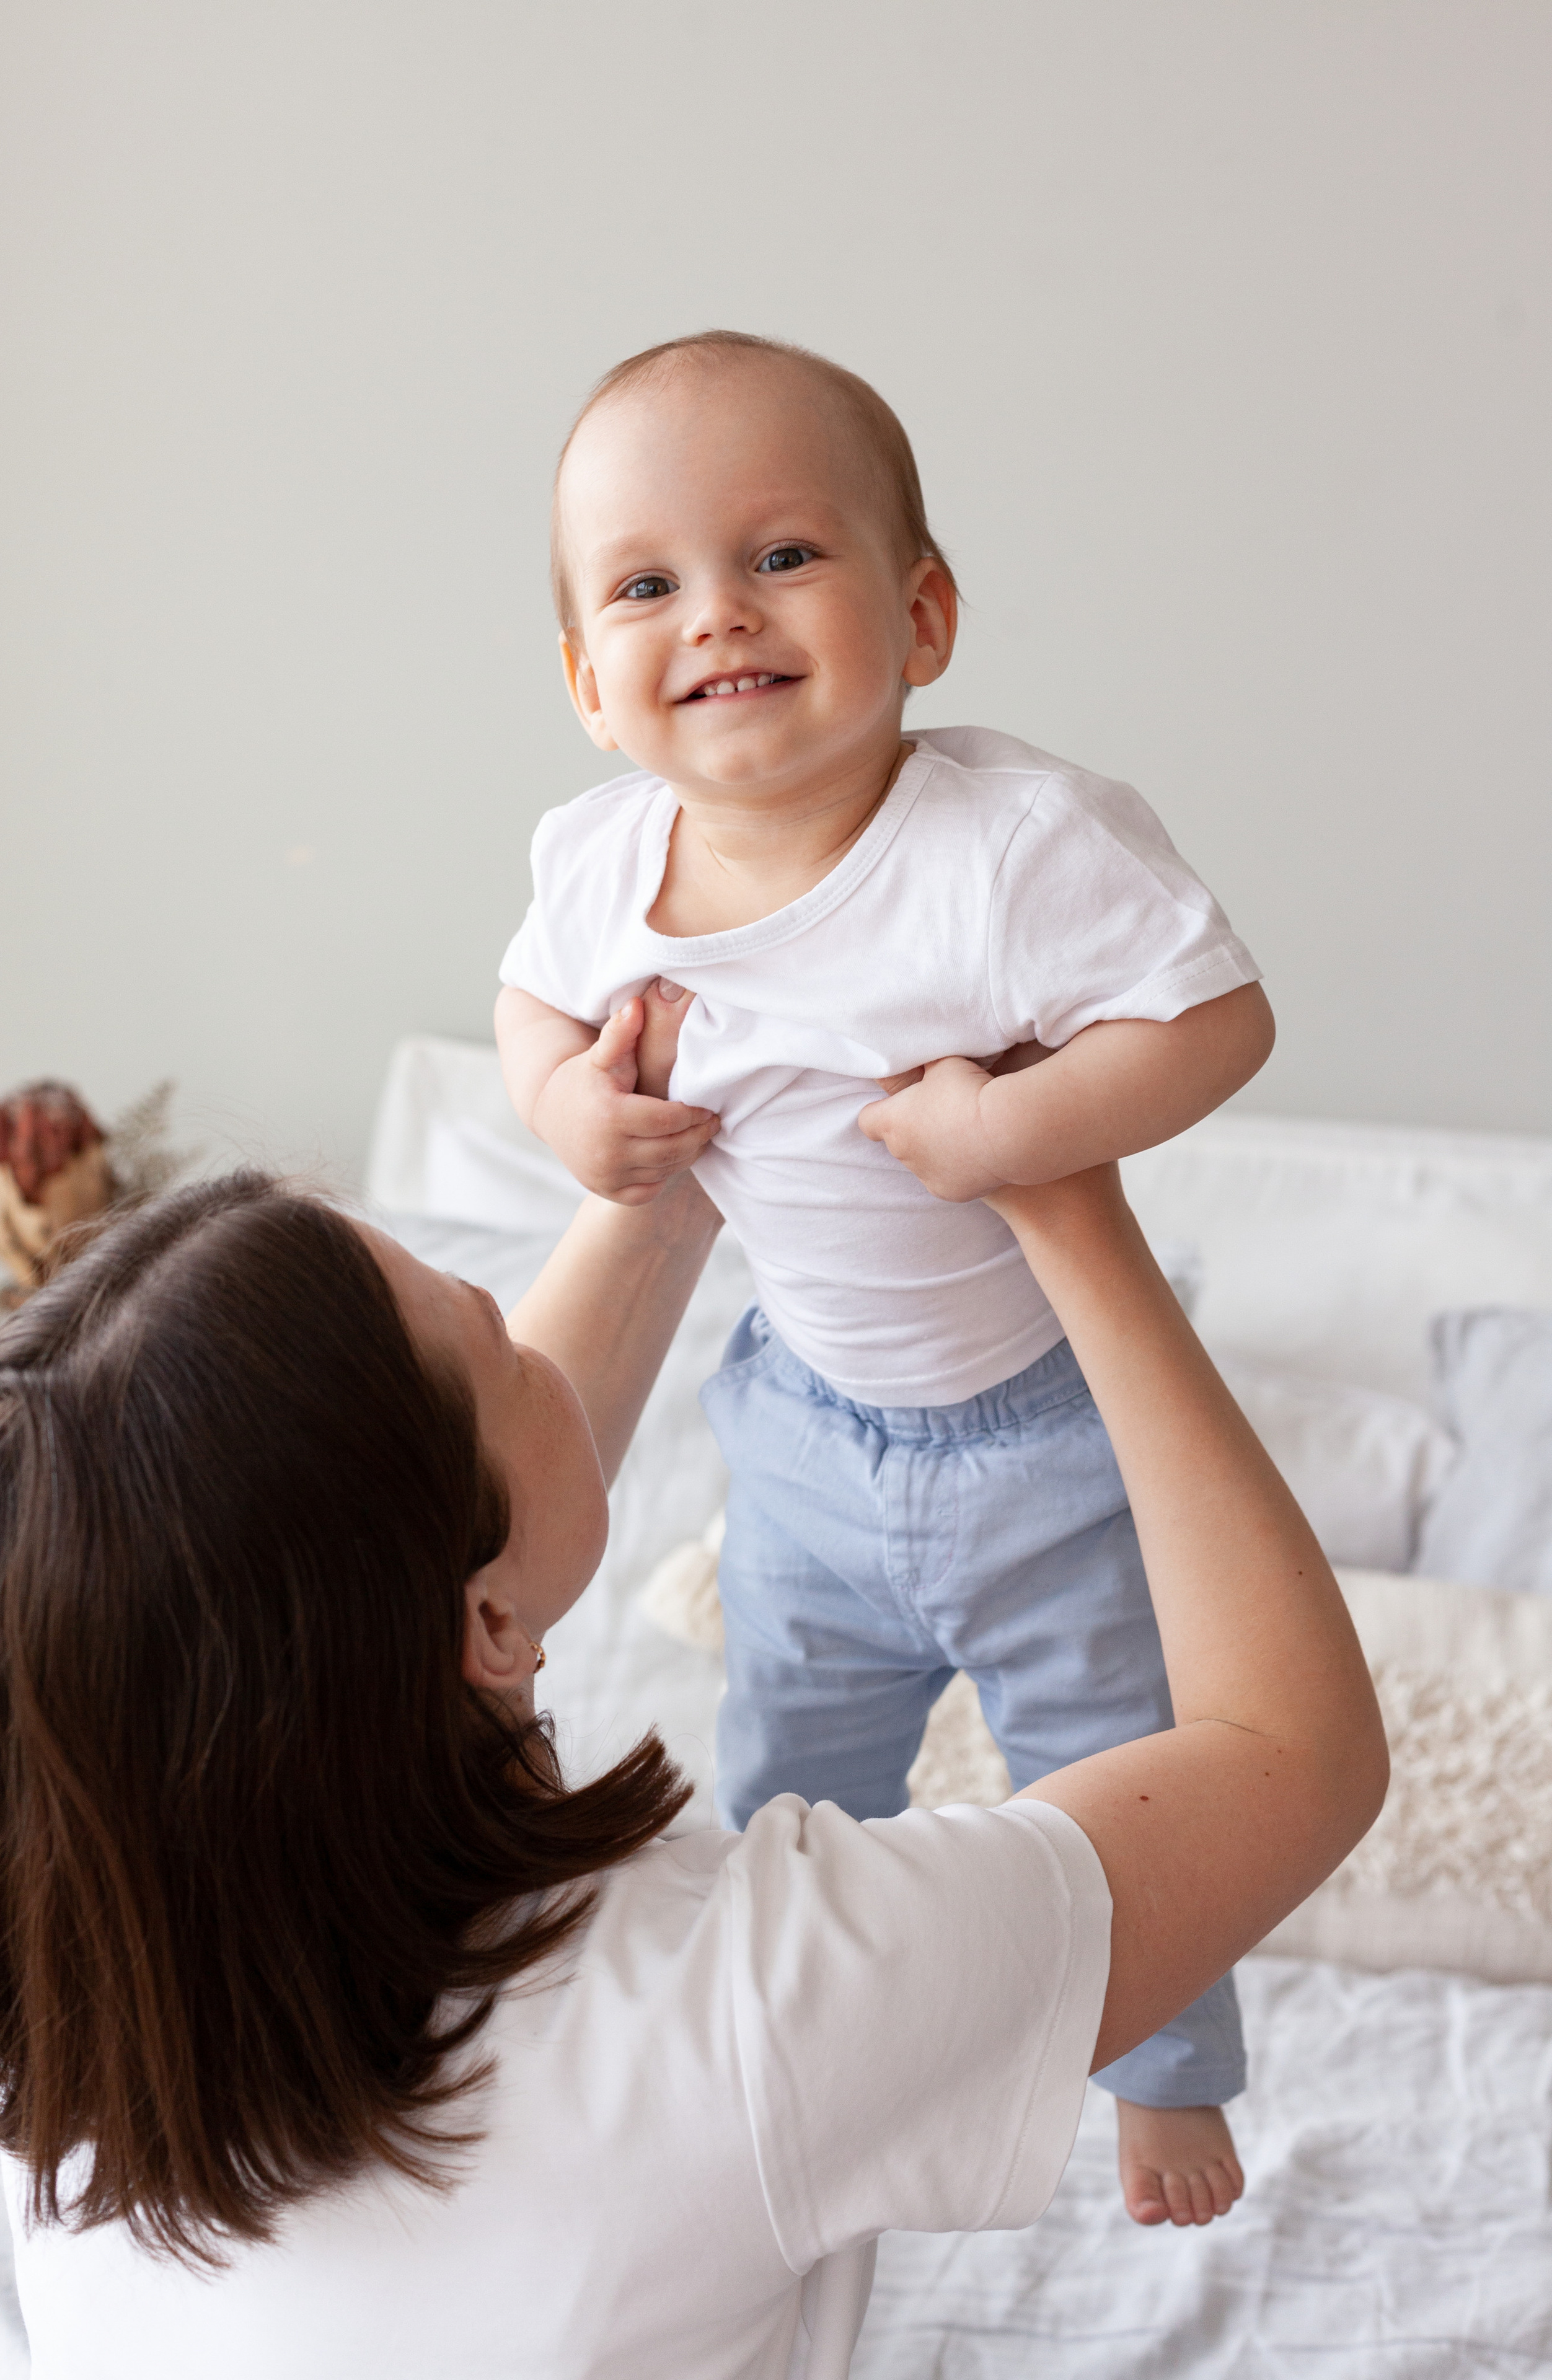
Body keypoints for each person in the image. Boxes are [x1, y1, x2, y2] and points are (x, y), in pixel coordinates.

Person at [0, 1103, 1385, 2380]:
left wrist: (690, 1153)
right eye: (494, 1329)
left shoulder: (76, 2029)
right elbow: (1291, 1751)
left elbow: (476, 1509)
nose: (539, 1344)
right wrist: (1074, 1216)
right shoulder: (742, 2001)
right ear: (485, 1632)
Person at [494, 328, 1278, 2218]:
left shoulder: (1011, 848)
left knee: (1113, 1772)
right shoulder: (605, 864)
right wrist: (575, 1118)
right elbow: (530, 1015)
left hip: (1047, 1439)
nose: (717, 616)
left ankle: (1166, 2076)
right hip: (808, 1432)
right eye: (647, 583)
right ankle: (809, 2051)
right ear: (590, 683)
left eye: (784, 556)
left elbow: (1217, 1022)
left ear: (922, 614)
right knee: (787, 1778)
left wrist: (1023, 1135)